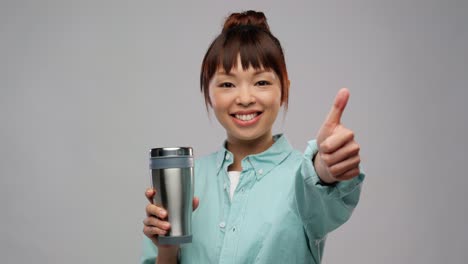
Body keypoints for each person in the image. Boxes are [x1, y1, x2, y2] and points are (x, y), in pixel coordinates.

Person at [141, 10, 365, 264]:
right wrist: (167, 247)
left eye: (261, 82)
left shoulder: (302, 177)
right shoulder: (188, 179)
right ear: (208, 93)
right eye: (227, 84)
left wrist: (326, 167)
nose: (245, 98)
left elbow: (320, 188)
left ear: (284, 89)